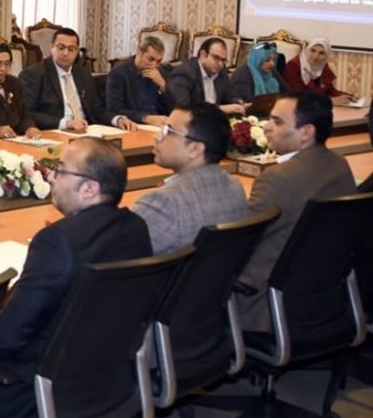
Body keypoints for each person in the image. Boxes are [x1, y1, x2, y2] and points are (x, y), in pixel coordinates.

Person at [0, 137, 151, 418]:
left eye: (60, 170)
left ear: (90, 188)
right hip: (109, 381)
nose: (50, 177)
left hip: (39, 394)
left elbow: (5, 340)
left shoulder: (57, 242)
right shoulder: (136, 227)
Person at [237, 91, 355, 331]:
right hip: (324, 299)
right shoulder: (340, 166)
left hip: (266, 307)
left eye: (277, 121)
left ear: (306, 132)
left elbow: (239, 245)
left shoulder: (277, 179)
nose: (267, 127)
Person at [132, 103, 248, 255]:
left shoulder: (164, 202)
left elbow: (116, 254)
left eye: (169, 131)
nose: (157, 136)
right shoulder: (235, 186)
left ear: (195, 149)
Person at [20, 27, 136, 132]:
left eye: (71, 49)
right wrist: (66, 123)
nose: (65, 53)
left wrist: (117, 119)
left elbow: (96, 109)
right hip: (56, 132)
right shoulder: (33, 74)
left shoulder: (83, 73)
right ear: (52, 48)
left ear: (77, 52)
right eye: (61, 47)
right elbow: (28, 113)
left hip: (87, 131)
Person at [167, 38, 247, 115]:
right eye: (216, 58)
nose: (220, 64)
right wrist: (220, 109)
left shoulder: (221, 73)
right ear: (203, 55)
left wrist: (238, 103)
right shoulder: (184, 74)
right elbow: (183, 109)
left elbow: (228, 97)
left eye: (223, 60)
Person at [106, 36, 175, 126]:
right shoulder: (118, 74)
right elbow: (115, 110)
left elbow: (175, 108)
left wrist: (163, 85)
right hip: (135, 125)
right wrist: (146, 118)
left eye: (158, 61)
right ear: (139, 52)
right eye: (151, 59)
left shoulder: (161, 72)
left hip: (161, 125)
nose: (154, 65)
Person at [284, 37, 354, 105]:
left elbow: (329, 90)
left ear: (326, 56)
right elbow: (298, 96)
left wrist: (349, 96)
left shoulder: (322, 66)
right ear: (306, 50)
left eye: (321, 53)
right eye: (313, 51)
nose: (316, 56)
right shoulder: (293, 65)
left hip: (316, 105)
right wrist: (329, 100)